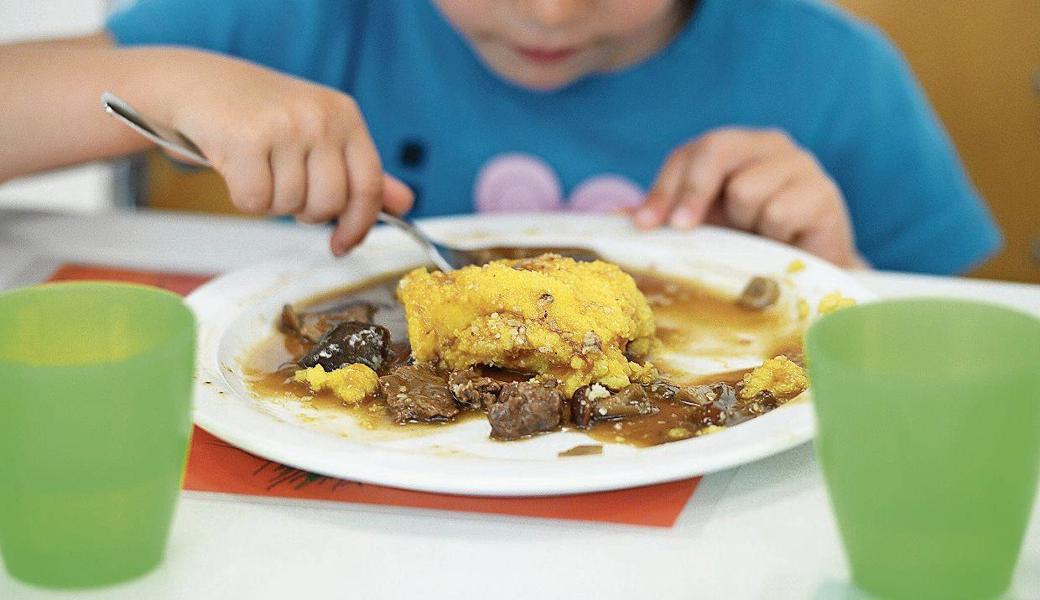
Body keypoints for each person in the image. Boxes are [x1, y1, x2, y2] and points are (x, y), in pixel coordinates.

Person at [0, 0, 1000, 274]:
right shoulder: (309, 15)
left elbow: (964, 381)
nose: (550, 13)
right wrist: (152, 76)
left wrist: (841, 280)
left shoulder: (832, 75)